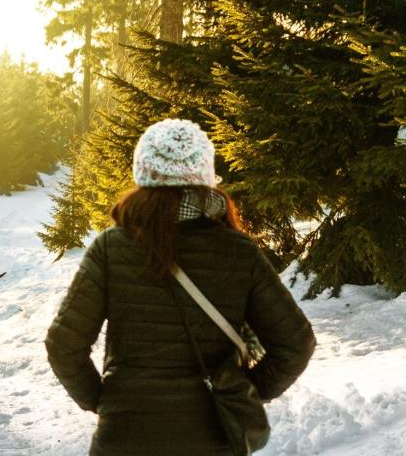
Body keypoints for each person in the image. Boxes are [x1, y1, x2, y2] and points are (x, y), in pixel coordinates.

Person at [46, 119, 316, 455]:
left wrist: (102, 401)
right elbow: (295, 342)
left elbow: (63, 345)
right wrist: (243, 391)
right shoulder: (239, 251)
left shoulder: (110, 247)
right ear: (205, 176)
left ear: (143, 174)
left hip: (124, 438)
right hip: (213, 439)